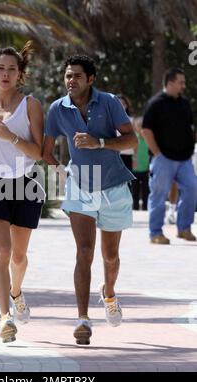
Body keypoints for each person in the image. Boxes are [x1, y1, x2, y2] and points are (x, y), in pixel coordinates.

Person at [42, 54, 137, 345]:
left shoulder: (109, 102)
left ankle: (109, 292)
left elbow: (131, 140)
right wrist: (64, 173)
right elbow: (46, 152)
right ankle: (82, 318)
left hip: (113, 185)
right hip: (81, 187)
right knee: (84, 252)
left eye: (77, 76)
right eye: (68, 75)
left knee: (110, 256)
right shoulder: (58, 108)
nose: (71, 81)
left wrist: (101, 143)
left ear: (91, 79)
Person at [0, 41, 44, 343]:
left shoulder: (31, 106)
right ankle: (5, 317)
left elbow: (38, 152)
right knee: (2, 252)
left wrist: (11, 136)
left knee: (19, 255)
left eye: (11, 69)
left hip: (25, 182)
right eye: (0, 68)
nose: (5, 73)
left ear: (19, 75)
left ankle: (16, 291)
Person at [142, 67, 196, 244]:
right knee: (159, 195)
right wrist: (157, 154)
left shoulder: (184, 103)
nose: (183, 86)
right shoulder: (155, 103)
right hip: (163, 159)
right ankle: (155, 233)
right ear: (170, 83)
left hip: (184, 159)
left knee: (191, 189)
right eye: (181, 82)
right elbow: (146, 130)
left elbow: (190, 127)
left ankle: (184, 228)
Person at [132, 116, 149, 210]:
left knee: (146, 191)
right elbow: (133, 151)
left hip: (146, 169)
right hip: (135, 169)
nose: (140, 128)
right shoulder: (134, 137)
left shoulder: (148, 138)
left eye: (142, 126)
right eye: (138, 126)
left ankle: (146, 209)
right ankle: (135, 208)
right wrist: (134, 161)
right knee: (135, 192)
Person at [117, 94, 134, 172]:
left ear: (126, 105)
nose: (121, 106)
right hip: (114, 154)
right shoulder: (109, 120)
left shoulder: (132, 120)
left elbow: (135, 140)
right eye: (119, 104)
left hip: (128, 154)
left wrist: (136, 157)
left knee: (128, 182)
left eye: (123, 104)